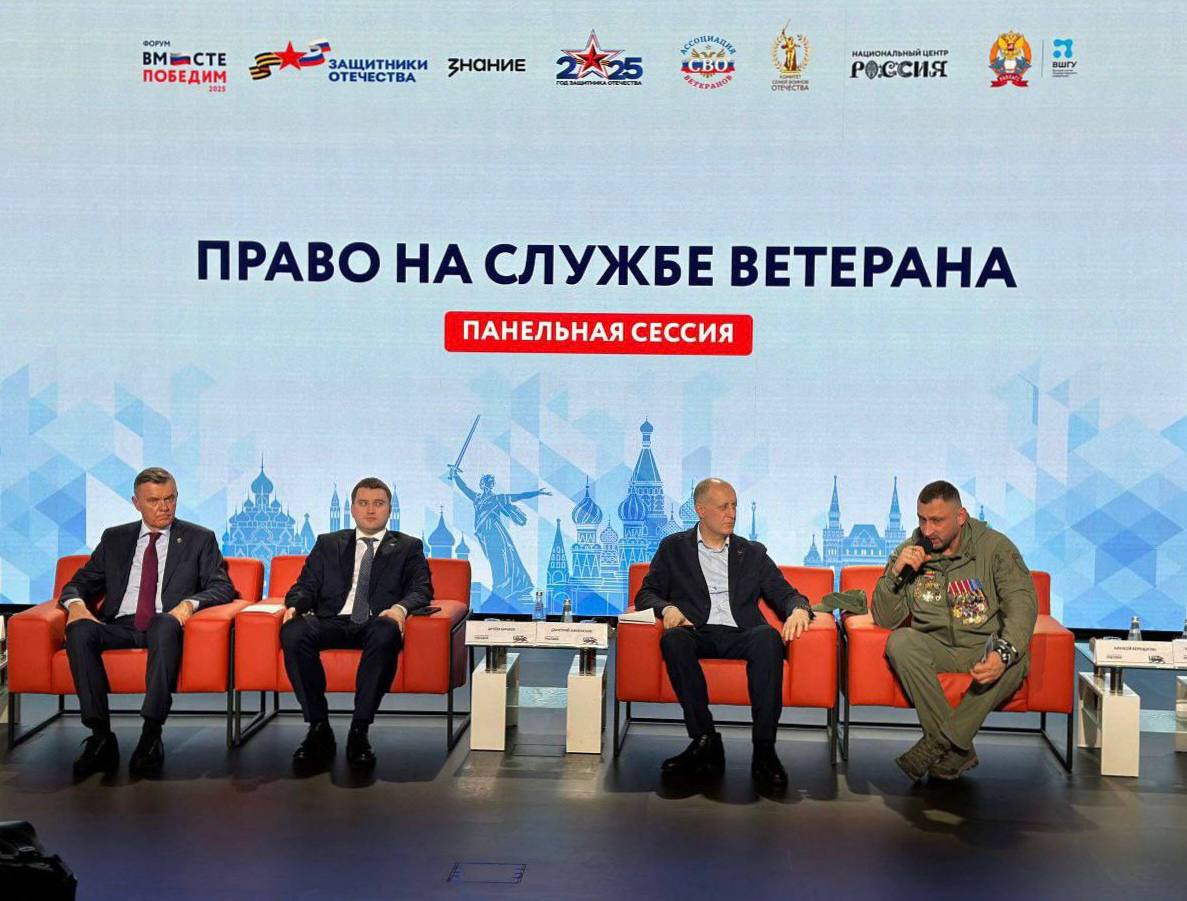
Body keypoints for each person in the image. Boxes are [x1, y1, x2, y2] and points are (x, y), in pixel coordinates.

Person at [634, 477, 813, 789]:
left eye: (734, 506)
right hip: (696, 629)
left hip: (741, 631)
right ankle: (705, 739)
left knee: (768, 638)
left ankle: (765, 750)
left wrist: (798, 609)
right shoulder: (674, 548)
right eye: (723, 507)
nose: (732, 513)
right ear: (701, 510)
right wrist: (667, 609)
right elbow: (646, 594)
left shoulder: (752, 552)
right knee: (673, 639)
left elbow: (785, 593)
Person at [59, 467, 236, 777]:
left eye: (170, 498)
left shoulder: (199, 538)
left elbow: (222, 587)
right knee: (79, 630)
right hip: (119, 624)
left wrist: (188, 605)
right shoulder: (115, 539)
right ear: (136, 503)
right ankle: (100, 736)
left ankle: (151, 734)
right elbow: (79, 583)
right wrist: (75, 606)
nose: (164, 507)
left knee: (164, 624)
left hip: (164, 624)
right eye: (154, 501)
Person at [872, 480, 1038, 781]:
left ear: (961, 517)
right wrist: (895, 575)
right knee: (900, 641)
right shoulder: (908, 551)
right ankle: (957, 749)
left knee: (1016, 656)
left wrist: (1003, 652)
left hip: (983, 647)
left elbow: (1021, 603)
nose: (927, 530)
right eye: (922, 520)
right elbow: (885, 619)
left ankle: (939, 743)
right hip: (936, 647)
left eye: (937, 521)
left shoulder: (996, 548)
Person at [280, 477, 432, 768]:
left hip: (376, 621)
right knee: (293, 631)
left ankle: (359, 730)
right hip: (331, 620)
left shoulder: (408, 546)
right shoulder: (328, 543)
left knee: (387, 631)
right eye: (363, 503)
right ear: (352, 509)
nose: (370, 510)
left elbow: (421, 590)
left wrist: (399, 609)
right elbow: (306, 585)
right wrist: (295, 605)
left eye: (378, 504)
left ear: (389, 509)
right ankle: (318, 728)